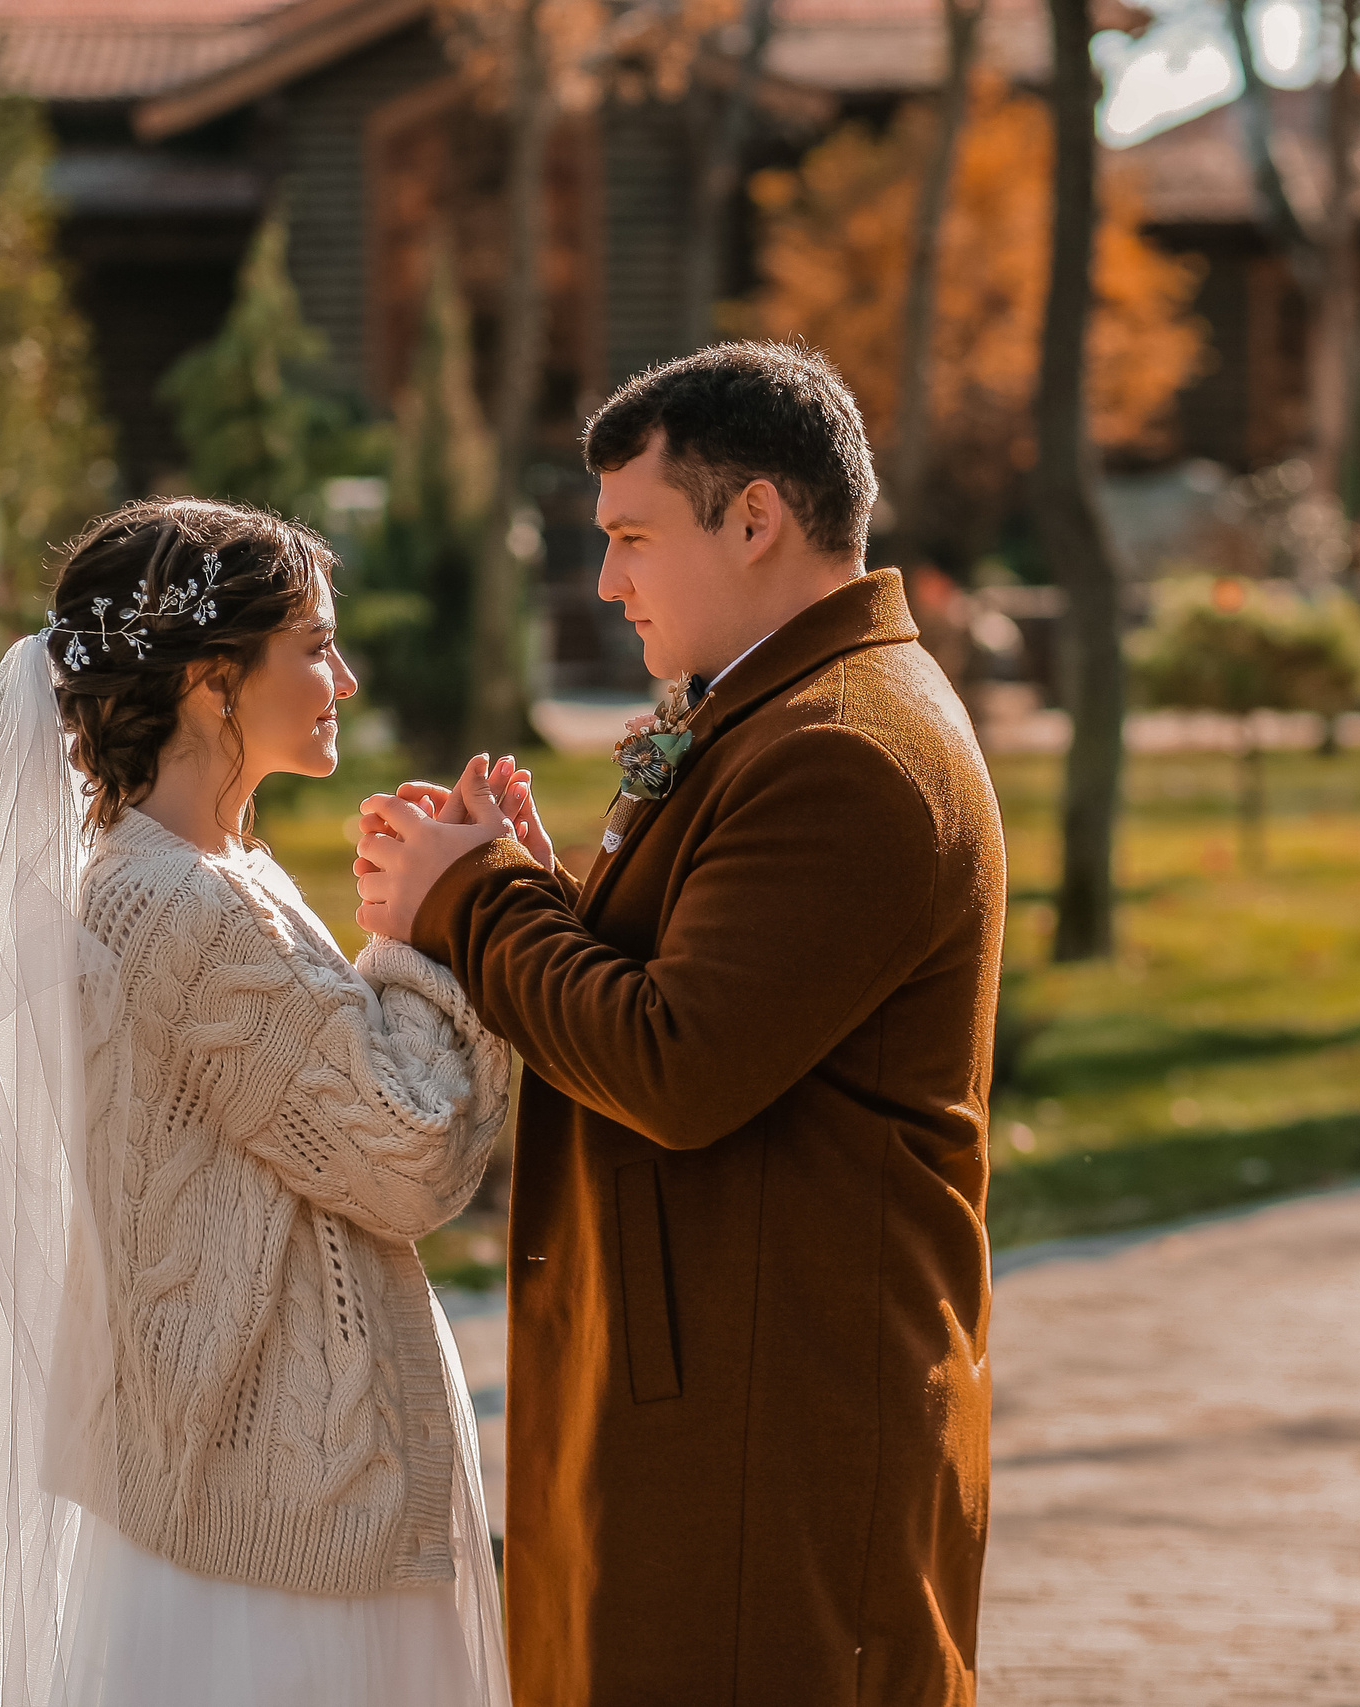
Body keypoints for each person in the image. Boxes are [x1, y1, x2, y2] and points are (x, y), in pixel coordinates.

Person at [355, 342, 1008, 1706]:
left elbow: (677, 1059)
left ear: (755, 516)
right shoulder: (773, 714)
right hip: (710, 1395)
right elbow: (696, 983)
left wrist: (472, 904)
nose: (608, 579)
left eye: (632, 535)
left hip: (781, 1429)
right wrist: (538, 892)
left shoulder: (848, 749)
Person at [0, 497, 524, 1707]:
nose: (347, 678)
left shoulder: (210, 873)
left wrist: (454, 918)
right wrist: (441, 932)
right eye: (314, 645)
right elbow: (408, 1153)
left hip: (259, 1493)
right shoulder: (180, 907)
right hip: (266, 1550)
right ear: (214, 683)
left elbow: (330, 1100)